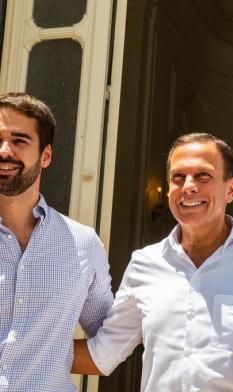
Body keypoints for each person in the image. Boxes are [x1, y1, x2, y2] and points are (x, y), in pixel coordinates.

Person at [72, 132, 233, 391]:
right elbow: (102, 355)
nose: (188, 186)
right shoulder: (145, 263)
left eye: (203, 175)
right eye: (178, 177)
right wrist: (15, 345)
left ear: (231, 189)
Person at [0, 92, 113, 392]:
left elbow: (110, 336)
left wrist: (52, 354)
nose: (4, 150)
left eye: (19, 141)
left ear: (46, 156)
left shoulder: (83, 244)